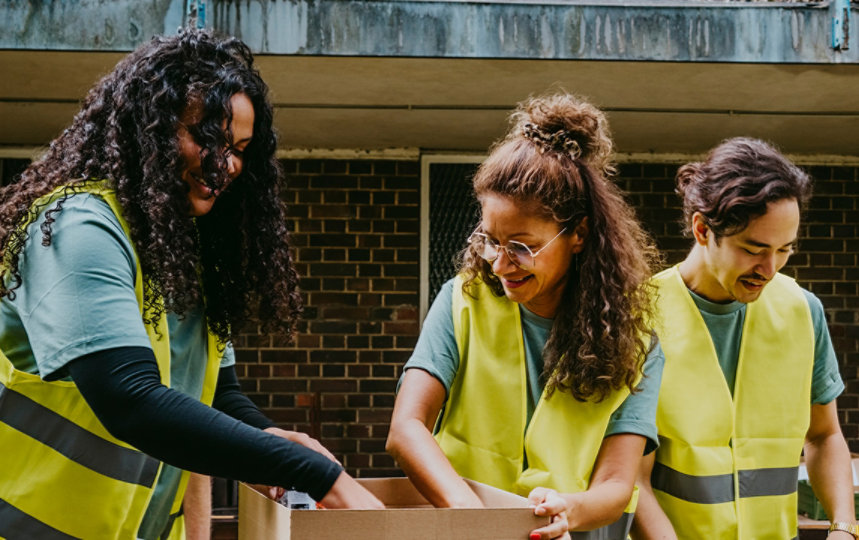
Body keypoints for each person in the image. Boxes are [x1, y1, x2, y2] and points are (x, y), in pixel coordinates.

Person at [0, 29, 382, 540]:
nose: (224, 165)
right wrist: (318, 475)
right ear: (149, 128)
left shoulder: (187, 254)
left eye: (239, 149)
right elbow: (129, 399)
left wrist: (271, 437)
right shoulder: (78, 225)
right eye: (208, 138)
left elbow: (218, 398)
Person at [386, 92, 664, 540]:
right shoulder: (462, 301)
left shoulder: (635, 343)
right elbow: (406, 429)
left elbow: (616, 485)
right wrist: (475, 519)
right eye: (491, 239)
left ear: (578, 234)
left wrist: (569, 510)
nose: (498, 263)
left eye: (521, 246)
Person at [630, 137, 856, 540]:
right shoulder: (639, 316)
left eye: (784, 250)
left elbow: (824, 435)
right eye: (754, 249)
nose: (769, 269)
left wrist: (843, 527)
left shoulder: (803, 310)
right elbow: (632, 475)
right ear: (702, 228)